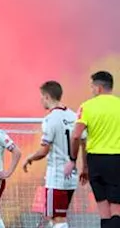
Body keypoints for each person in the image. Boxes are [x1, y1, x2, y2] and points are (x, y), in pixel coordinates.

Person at [23, 80, 79, 228]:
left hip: (56, 177)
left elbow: (44, 150)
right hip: (71, 176)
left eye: (41, 96)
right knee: (52, 215)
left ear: (47, 97)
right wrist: (84, 167)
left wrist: (30, 158)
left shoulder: (50, 119)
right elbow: (81, 141)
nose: (40, 100)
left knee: (57, 218)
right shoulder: (74, 116)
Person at [69, 71, 120, 228]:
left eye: (91, 87)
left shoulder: (86, 106)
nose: (91, 90)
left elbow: (76, 136)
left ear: (98, 88)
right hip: (116, 159)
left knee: (103, 211)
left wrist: (74, 159)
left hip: (95, 161)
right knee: (116, 209)